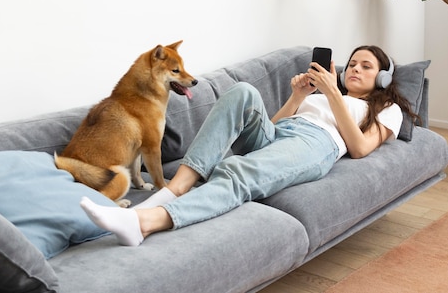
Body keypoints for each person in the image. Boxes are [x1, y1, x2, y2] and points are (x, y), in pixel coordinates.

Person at [79, 45, 416, 246]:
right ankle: (177, 187)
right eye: (352, 63)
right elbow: (275, 127)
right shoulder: (332, 94)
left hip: (317, 145)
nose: (355, 68)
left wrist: (330, 94)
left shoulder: (387, 109)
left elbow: (359, 148)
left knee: (236, 169)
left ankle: (146, 222)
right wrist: (300, 96)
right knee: (243, 92)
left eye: (365, 66)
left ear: (384, 77)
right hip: (283, 134)